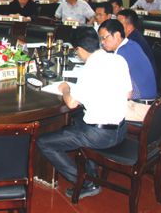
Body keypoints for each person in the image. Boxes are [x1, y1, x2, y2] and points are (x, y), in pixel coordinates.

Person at [36, 27, 131, 200]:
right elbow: (128, 94)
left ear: (79, 49)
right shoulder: (119, 59)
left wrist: (65, 89)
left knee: (43, 142)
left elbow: (72, 103)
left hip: (100, 136)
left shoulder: (90, 68)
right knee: (79, 119)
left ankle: (86, 183)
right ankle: (91, 171)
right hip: (121, 129)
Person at [99, 19, 156, 100]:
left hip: (139, 103)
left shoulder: (121, 54)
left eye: (104, 38)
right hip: (149, 98)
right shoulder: (131, 44)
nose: (102, 42)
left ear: (117, 35)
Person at [116, 9, 157, 78]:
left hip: (142, 79)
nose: (115, 27)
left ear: (129, 27)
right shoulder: (131, 36)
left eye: (119, 25)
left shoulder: (134, 43)